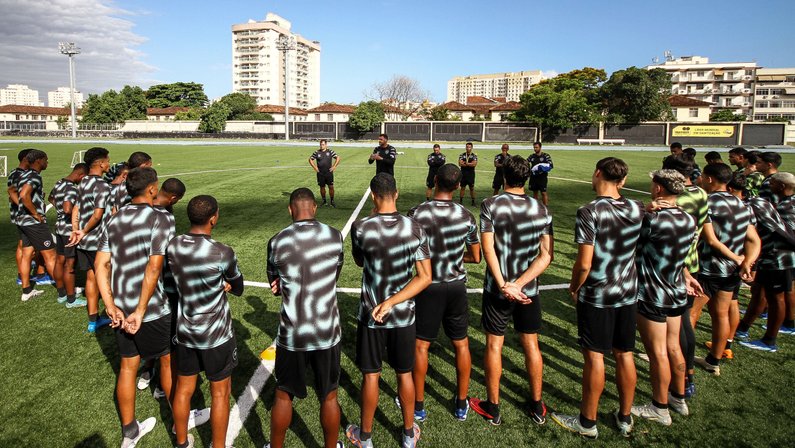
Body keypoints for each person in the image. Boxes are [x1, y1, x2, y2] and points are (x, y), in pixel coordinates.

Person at [551, 157, 644, 439]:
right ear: (623, 181)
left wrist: (575, 286)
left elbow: (584, 263)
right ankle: (625, 416)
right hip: (628, 293)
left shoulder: (589, 211)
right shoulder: (637, 207)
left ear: (597, 173)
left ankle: (587, 422)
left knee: (594, 356)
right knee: (624, 353)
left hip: (599, 294)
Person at [346, 173, 431, 448]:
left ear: (372, 196)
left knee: (371, 375)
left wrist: (384, 302)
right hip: (403, 315)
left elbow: (360, 261)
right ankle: (408, 435)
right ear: (397, 193)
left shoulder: (360, 228)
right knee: (404, 373)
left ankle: (366, 438)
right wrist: (393, 302)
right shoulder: (415, 228)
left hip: (371, 314)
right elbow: (424, 277)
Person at [469, 156, 552, 427]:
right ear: (527, 178)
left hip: (498, 289)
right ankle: (537, 405)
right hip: (529, 291)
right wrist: (520, 284)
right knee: (531, 344)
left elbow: (488, 249)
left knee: (494, 344)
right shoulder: (541, 209)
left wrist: (505, 283)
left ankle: (493, 407)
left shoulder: (490, 204)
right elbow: (546, 255)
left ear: (503, 175)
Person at [95, 167, 175, 448]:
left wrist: (111, 306)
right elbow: (155, 266)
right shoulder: (160, 218)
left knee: (128, 367)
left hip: (120, 306)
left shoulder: (114, 220)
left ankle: (130, 431)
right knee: (166, 360)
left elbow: (100, 264)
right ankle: (179, 421)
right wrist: (140, 311)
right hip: (151, 308)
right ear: (152, 189)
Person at [266, 188, 344, 448]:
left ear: (290, 210)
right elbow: (335, 274)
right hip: (327, 331)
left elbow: (274, 285)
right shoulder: (334, 236)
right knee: (329, 396)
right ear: (315, 208)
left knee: (283, 394)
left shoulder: (277, 241)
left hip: (292, 333)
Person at [407, 164, 481, 422]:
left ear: (435, 180)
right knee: (461, 343)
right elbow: (476, 256)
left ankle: (418, 406)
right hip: (456, 285)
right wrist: (453, 257)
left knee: (421, 345)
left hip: (428, 286)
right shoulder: (467, 216)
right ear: (459, 186)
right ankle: (461, 403)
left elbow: (407, 252)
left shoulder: (416, 213)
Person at [170, 195, 244, 448]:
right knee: (220, 393)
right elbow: (238, 287)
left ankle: (181, 442)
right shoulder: (222, 251)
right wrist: (224, 285)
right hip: (216, 334)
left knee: (183, 388)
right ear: (213, 218)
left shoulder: (174, 245)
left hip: (186, 330)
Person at [630, 170, 698, 426]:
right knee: (673, 347)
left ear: (658, 188)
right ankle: (678, 397)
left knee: (657, 351)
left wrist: (645, 212)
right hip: (676, 289)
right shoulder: (688, 219)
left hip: (652, 292)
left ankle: (659, 406)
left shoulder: (653, 219)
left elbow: (630, 241)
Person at [694, 163, 760, 376]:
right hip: (732, 270)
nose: (701, 180)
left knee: (690, 313)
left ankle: (679, 357)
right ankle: (714, 359)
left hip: (708, 267)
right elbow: (754, 240)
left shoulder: (706, 202)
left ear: (710, 179)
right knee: (720, 314)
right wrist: (746, 262)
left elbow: (709, 239)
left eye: (703, 176)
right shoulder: (743, 204)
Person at [732, 173, 795, 352]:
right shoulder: (766, 203)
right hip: (770, 257)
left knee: (776, 298)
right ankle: (743, 328)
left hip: (778, 258)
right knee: (760, 291)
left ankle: (770, 340)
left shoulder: (777, 206)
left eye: (772, 182)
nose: (769, 184)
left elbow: (781, 232)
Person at [662, 156, 708, 397]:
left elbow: (669, 235)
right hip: (690, 262)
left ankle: (684, 379)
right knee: (683, 321)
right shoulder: (700, 193)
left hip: (677, 267)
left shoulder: (681, 200)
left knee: (677, 327)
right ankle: (686, 374)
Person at [69, 147, 114, 333]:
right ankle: (113, 313)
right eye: (108, 160)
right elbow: (98, 214)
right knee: (106, 277)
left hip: (85, 241)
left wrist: (76, 230)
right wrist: (84, 231)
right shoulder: (102, 185)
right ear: (101, 163)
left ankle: (93, 320)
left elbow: (76, 209)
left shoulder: (84, 181)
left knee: (90, 277)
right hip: (99, 240)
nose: (109, 163)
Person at [16, 149, 58, 301]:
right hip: (33, 223)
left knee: (27, 255)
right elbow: (23, 195)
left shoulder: (23, 174)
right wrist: (35, 213)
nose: (47, 162)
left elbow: (17, 192)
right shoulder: (34, 175)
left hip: (22, 221)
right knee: (51, 256)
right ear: (39, 160)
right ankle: (65, 293)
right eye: (46, 160)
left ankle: (26, 291)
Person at [49, 162, 88, 307]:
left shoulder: (59, 182)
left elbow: (51, 198)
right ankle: (71, 299)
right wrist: (78, 214)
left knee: (60, 261)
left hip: (59, 228)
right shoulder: (72, 187)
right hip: (68, 230)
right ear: (80, 174)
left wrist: (59, 211)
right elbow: (67, 208)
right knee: (70, 265)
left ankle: (61, 294)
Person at [7, 148, 32, 285]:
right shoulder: (17, 174)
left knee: (24, 245)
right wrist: (25, 206)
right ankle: (22, 276)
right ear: (25, 159)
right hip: (22, 215)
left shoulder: (20, 173)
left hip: (21, 214)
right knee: (23, 246)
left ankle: (23, 273)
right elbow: (12, 193)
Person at [309, 139, 340, 207]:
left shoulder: (330, 152)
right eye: (320, 144)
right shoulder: (317, 152)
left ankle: (332, 201)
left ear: (326, 145)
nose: (321, 146)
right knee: (322, 187)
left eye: (323, 144)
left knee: (331, 187)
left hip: (329, 173)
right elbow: (310, 159)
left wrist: (334, 166)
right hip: (320, 173)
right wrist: (315, 167)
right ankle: (324, 201)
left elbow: (338, 158)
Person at [528, 141, 553, 206]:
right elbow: (525, 162)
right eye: (534, 147)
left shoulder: (546, 156)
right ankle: (536, 208)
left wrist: (542, 169)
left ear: (540, 147)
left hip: (542, 177)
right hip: (533, 177)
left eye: (536, 147)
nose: (535, 149)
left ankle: (545, 208)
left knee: (543, 193)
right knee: (535, 193)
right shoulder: (531, 156)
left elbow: (551, 165)